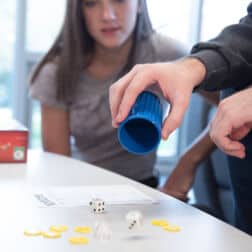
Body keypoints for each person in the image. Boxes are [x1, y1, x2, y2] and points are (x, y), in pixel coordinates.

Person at [109, 2, 252, 234]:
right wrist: (190, 68)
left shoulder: (162, 48)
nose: (107, 14)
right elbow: (248, 35)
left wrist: (190, 159)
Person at [29, 0, 186, 188]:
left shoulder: (167, 54)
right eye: (91, 3)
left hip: (145, 189)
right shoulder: (56, 73)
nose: (107, 15)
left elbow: (226, 104)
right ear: (79, 12)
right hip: (80, 190)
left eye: (119, 0)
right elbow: (58, 168)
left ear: (139, 4)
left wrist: (188, 163)